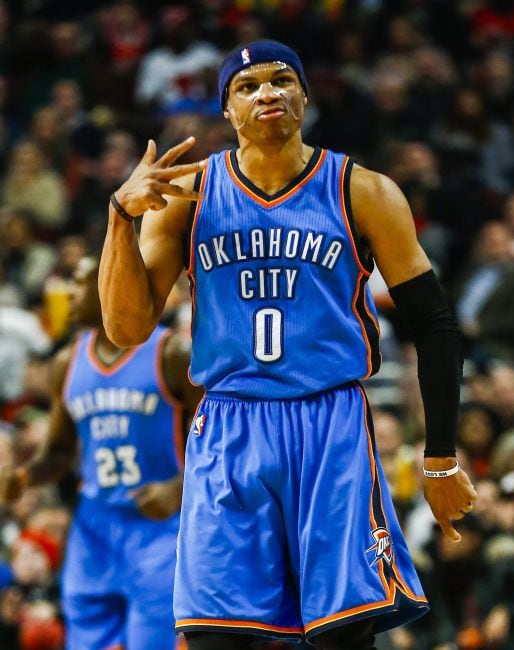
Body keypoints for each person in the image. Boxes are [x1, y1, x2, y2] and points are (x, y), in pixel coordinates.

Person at [98, 40, 477, 650]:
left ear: (304, 95)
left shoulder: (363, 191)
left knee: (342, 636)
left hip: (330, 423)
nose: (266, 92)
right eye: (247, 86)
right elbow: (125, 329)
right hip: (229, 422)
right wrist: (119, 215)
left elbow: (435, 325)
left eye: (281, 80)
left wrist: (439, 458)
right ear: (227, 110)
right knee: (215, 637)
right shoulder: (186, 195)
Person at [0, 255, 202, 650]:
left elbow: (220, 441)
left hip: (159, 529)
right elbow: (58, 451)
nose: (68, 294)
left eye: (79, 283)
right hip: (93, 529)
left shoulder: (172, 354)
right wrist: (24, 477)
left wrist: (178, 489)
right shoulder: (67, 360)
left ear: (115, 284)